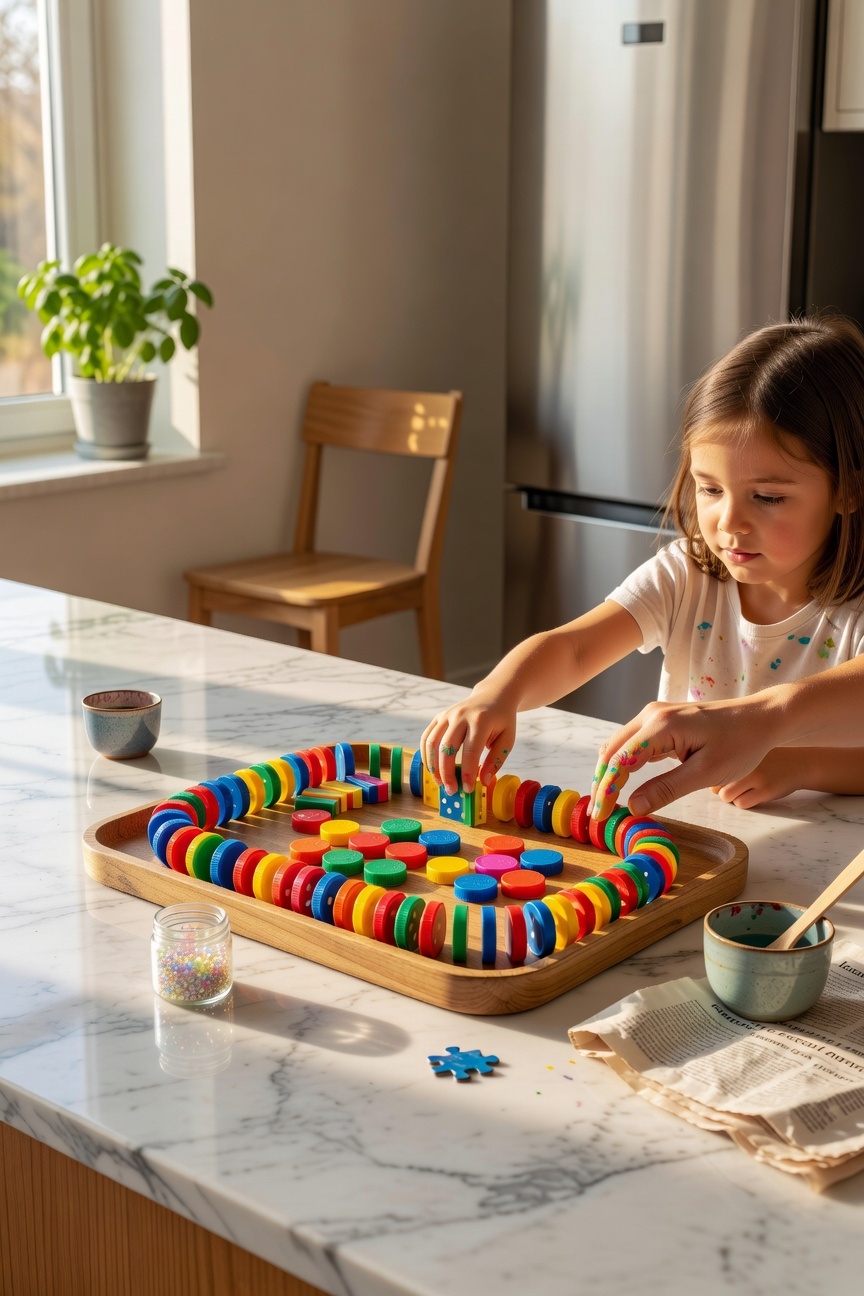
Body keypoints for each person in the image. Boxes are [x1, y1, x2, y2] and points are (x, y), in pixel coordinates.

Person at [421, 315, 864, 818]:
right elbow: (574, 647)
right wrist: (497, 693)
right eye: (710, 489)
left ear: (848, 489)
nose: (729, 521)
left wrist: (796, 765)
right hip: (682, 828)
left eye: (767, 497)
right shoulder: (688, 575)